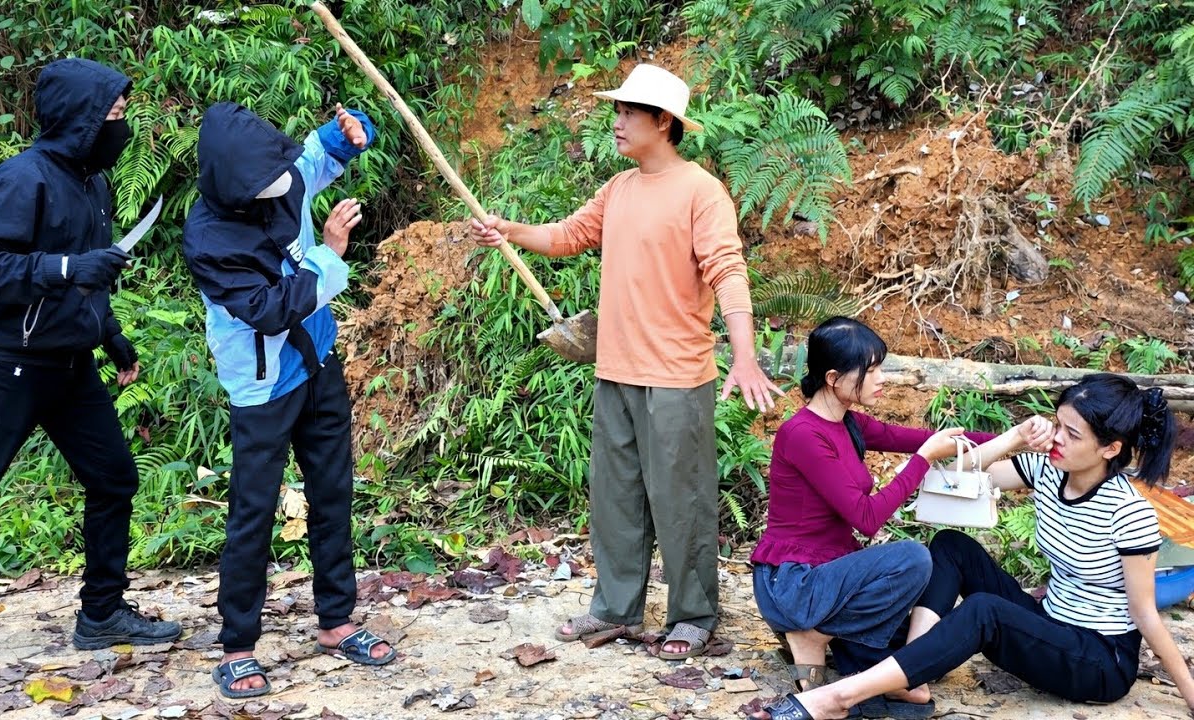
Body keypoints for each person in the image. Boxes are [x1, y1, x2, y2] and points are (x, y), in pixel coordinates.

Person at [469, 63, 782, 659]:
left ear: (663, 122)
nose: (616, 122)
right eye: (617, 111)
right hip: (614, 370)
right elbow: (567, 236)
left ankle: (693, 614)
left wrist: (745, 357)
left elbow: (728, 271)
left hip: (676, 378)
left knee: (681, 500)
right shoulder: (619, 189)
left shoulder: (700, 191)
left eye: (627, 112)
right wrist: (507, 230)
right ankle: (615, 608)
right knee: (613, 496)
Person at [0, 58, 181, 692]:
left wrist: (113, 339)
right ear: (80, 116)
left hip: (71, 365)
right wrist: (65, 268)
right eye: (115, 113)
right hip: (10, 366)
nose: (123, 123)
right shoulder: (19, 180)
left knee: (115, 477)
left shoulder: (93, 180)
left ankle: (101, 613)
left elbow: (93, 275)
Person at [758, 373, 1194, 720]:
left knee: (984, 609)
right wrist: (1016, 438)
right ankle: (911, 674)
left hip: (1098, 660)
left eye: (1072, 434)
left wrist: (1190, 693)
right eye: (1057, 424)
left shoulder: (1129, 512)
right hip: (1049, 621)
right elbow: (958, 476)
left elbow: (1144, 614)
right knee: (950, 546)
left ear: (1111, 448)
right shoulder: (1046, 469)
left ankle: (837, 697)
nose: (1057, 438)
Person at [182, 100, 394, 699]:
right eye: (266, 188)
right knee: (253, 509)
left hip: (319, 360)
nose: (281, 190)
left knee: (333, 491)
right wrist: (331, 251)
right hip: (264, 384)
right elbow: (272, 310)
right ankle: (238, 646)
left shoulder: (278, 175)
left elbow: (314, 157)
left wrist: (348, 135)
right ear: (233, 188)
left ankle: (337, 621)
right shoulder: (209, 240)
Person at [748, 317, 1027, 719]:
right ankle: (814, 633)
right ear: (833, 377)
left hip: (833, 577)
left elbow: (925, 440)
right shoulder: (803, 434)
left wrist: (1015, 439)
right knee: (913, 558)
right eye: (872, 370)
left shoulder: (849, 422)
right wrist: (921, 462)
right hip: (796, 583)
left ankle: (841, 651)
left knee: (931, 602)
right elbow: (866, 518)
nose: (882, 378)